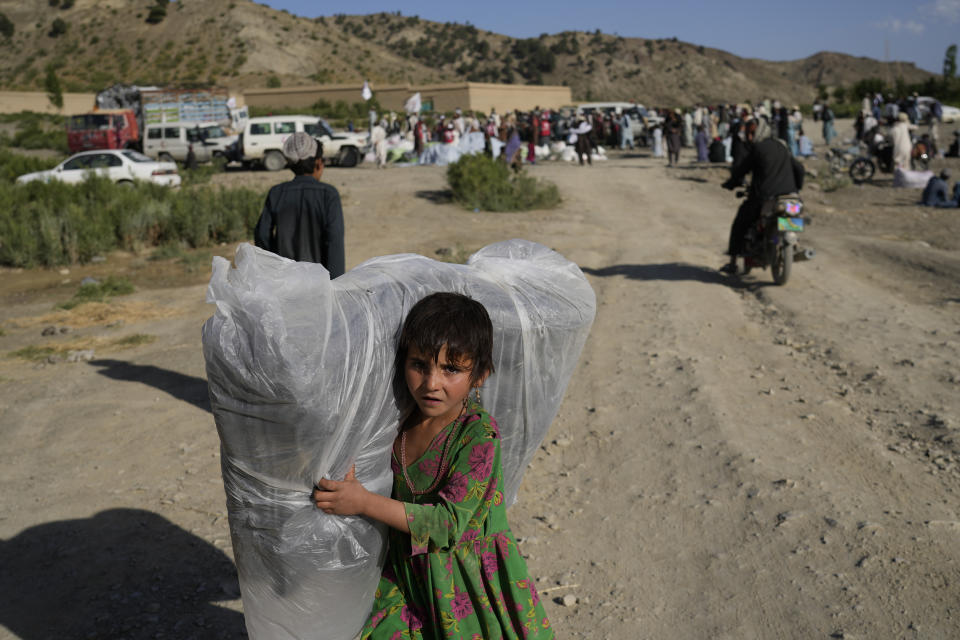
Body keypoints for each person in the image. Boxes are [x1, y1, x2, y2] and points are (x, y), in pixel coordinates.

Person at [313, 292, 554, 640]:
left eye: (451, 369)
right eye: (419, 365)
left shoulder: (478, 436)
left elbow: (447, 525)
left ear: (480, 374)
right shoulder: (399, 418)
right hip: (407, 574)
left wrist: (363, 502)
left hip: (463, 585)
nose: (431, 383)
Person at [254, 132, 345, 276]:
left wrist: (272, 270)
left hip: (285, 283)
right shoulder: (328, 195)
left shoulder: (276, 193)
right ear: (318, 163)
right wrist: (337, 285)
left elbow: (262, 234)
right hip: (320, 284)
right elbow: (335, 240)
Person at [720, 121, 804, 274]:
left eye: (752, 133)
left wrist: (731, 183)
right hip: (790, 197)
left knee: (740, 222)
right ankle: (793, 242)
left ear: (761, 132)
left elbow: (742, 170)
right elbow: (799, 168)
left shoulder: (758, 149)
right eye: (749, 134)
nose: (750, 137)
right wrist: (797, 187)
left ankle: (732, 263)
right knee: (796, 216)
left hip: (765, 198)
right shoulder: (782, 146)